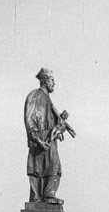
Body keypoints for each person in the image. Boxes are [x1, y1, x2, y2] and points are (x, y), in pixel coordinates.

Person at [24, 68, 75, 204]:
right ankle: (44, 196)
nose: (54, 83)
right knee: (40, 169)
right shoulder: (34, 95)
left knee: (53, 167)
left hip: (49, 140)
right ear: (45, 81)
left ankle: (48, 195)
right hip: (40, 141)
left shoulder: (48, 99)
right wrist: (37, 139)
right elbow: (29, 119)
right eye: (52, 80)